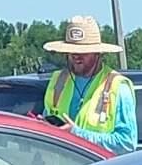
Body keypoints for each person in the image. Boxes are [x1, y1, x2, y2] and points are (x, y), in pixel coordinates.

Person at [41, 16, 137, 154]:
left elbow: (126, 144)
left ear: (98, 53)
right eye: (71, 51)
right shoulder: (58, 81)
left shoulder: (118, 87)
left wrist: (77, 134)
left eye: (82, 51)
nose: (76, 56)